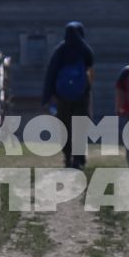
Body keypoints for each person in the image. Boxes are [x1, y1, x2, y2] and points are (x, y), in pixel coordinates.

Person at [41, 20, 94, 168]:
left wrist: (48, 95)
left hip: (62, 96)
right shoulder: (84, 49)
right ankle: (79, 158)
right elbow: (90, 66)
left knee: (65, 126)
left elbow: (51, 73)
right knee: (80, 126)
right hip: (81, 95)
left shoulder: (59, 50)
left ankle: (67, 156)